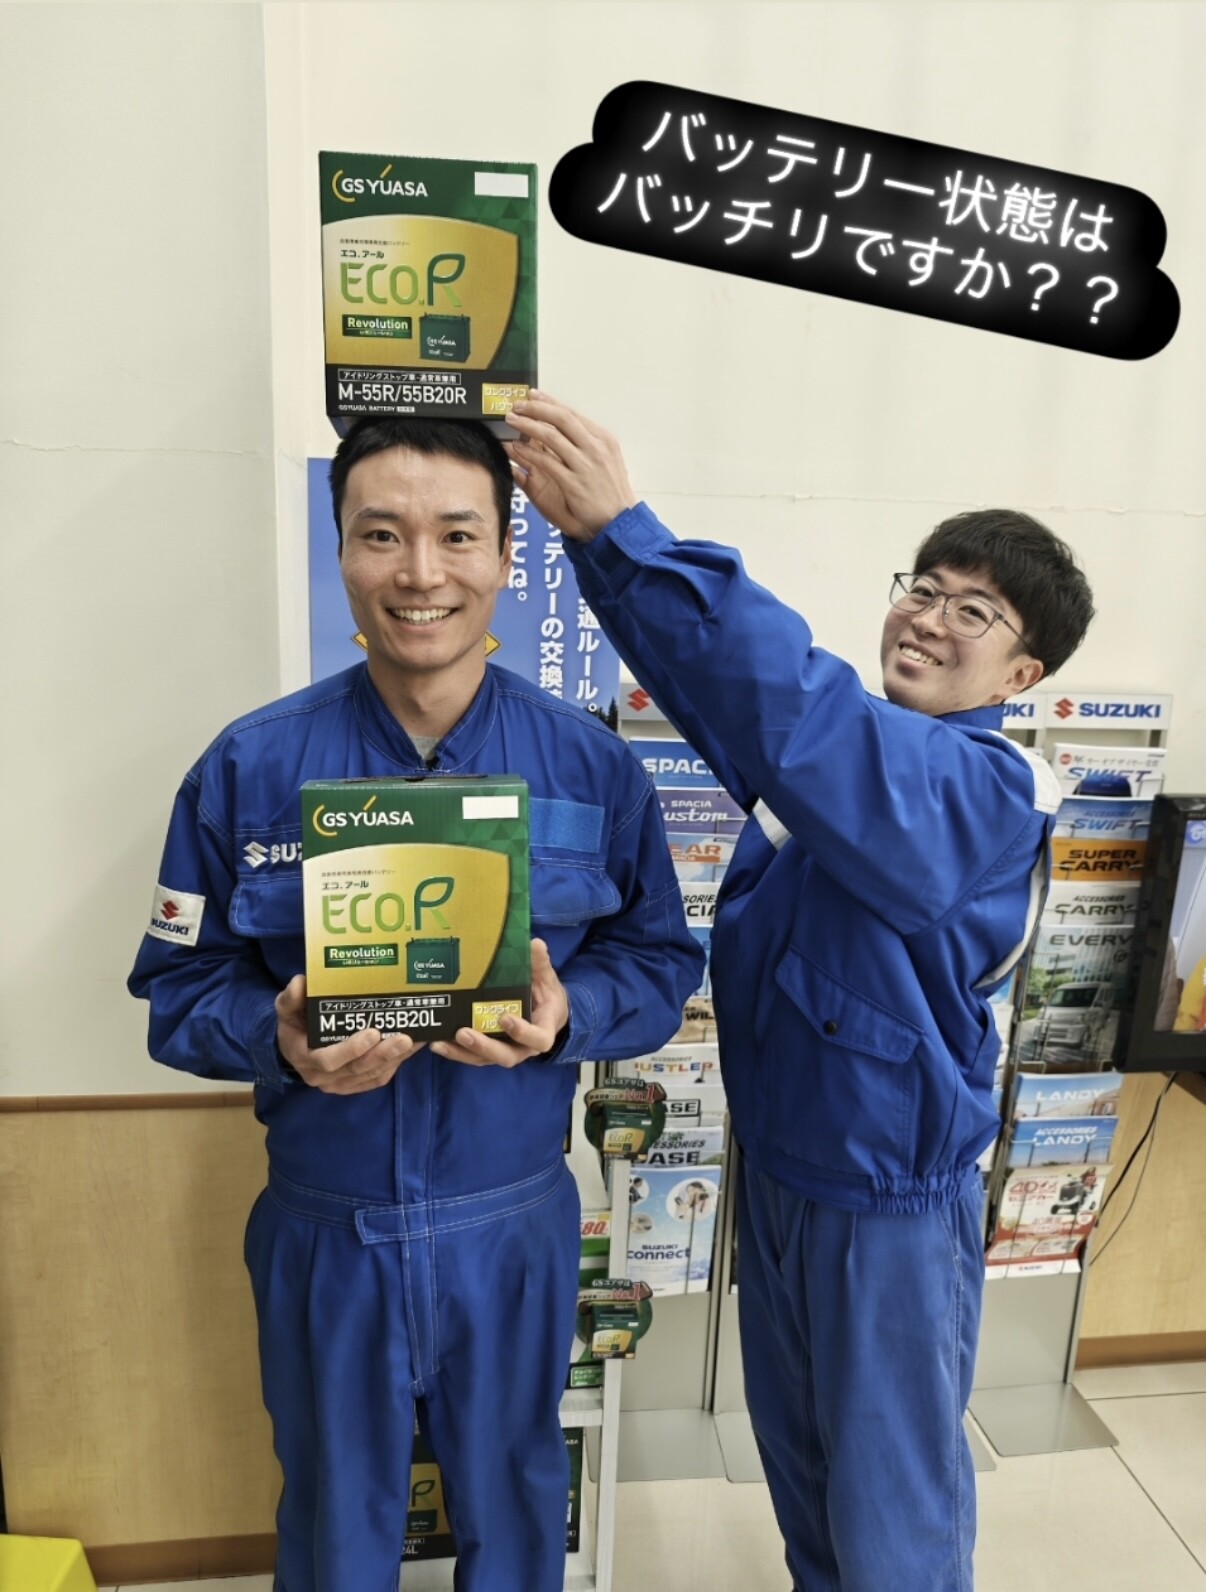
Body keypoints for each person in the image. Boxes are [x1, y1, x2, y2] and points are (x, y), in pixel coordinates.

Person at [504, 394, 1095, 1592]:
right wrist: (593, 552)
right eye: (923, 587)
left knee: (892, 1515)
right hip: (781, 1175)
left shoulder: (981, 791)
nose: (928, 616)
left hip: (886, 1209)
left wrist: (632, 532)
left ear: (1022, 671)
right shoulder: (851, 768)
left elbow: (791, 705)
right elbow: (725, 701)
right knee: (809, 1479)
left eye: (973, 610)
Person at [128, 416, 704, 1592]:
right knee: (335, 1521)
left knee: (519, 1507)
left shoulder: (590, 767)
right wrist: (274, 1036)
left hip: (515, 1225)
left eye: (457, 534)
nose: (421, 572)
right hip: (326, 1229)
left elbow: (659, 961)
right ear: (341, 547)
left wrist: (568, 1017)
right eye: (382, 534)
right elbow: (174, 988)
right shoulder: (248, 767)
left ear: (506, 555)